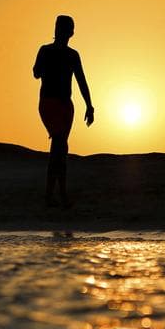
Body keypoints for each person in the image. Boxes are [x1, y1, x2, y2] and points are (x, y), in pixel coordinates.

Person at [33, 15, 95, 208]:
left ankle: (57, 195)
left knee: (61, 149)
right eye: (62, 28)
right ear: (57, 30)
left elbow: (81, 81)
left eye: (67, 29)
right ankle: (54, 195)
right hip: (49, 103)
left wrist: (89, 106)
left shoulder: (73, 55)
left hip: (66, 105)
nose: (65, 32)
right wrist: (47, 68)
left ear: (71, 32)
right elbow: (36, 73)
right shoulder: (45, 50)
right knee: (58, 145)